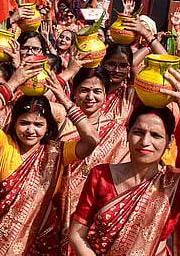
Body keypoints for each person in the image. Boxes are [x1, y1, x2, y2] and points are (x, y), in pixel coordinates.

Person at [69, 68, 180, 255]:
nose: (145, 142)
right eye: (138, 132)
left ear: (169, 142)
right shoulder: (101, 176)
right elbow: (77, 235)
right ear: (127, 135)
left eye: (156, 136)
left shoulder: (179, 183)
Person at [0, 64, 99, 255]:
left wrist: (64, 100)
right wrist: (12, 84)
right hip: (0, 241)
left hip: (42, 240)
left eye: (38, 124)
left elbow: (92, 140)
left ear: (47, 127)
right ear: (14, 122)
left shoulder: (56, 153)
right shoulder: (4, 144)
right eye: (24, 123)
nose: (30, 130)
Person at [57, 66, 129, 255]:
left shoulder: (118, 131)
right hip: (60, 206)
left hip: (100, 207)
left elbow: (124, 173)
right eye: (84, 90)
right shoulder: (61, 123)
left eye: (97, 91)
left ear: (106, 94)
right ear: (74, 93)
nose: (90, 97)